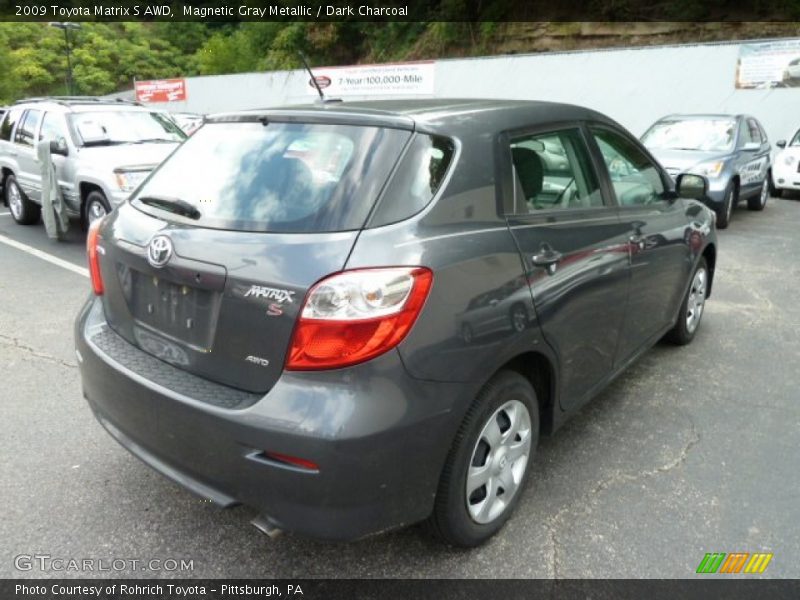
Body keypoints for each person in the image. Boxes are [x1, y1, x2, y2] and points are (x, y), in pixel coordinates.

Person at [36, 137, 69, 240]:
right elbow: (64, 150)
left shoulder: (41, 150)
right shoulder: (42, 145)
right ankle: (57, 230)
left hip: (47, 178)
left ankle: (59, 229)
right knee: (51, 205)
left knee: (51, 204)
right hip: (47, 179)